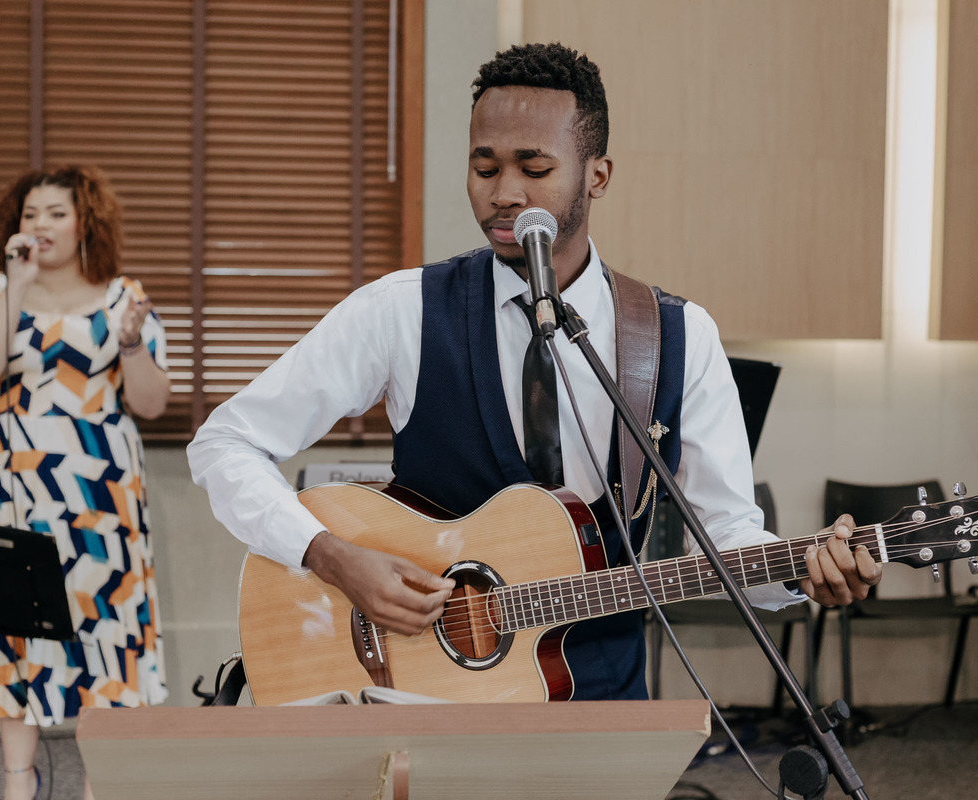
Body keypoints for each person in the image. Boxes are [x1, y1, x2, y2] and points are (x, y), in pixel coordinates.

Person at [188, 42, 880, 703]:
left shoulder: (677, 336)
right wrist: (330, 556)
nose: (505, 193)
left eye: (534, 168)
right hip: (423, 698)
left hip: (603, 705)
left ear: (597, 176)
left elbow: (727, 533)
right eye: (485, 168)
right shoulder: (401, 311)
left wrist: (802, 574)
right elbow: (224, 444)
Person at [0, 166, 171, 799]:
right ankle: (17, 779)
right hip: (10, 487)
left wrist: (132, 344)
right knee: (13, 621)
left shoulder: (124, 298)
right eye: (30, 214)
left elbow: (153, 404)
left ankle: (97, 782)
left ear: (86, 222)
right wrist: (18, 284)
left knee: (101, 622)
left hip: (100, 491)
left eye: (56, 213)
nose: (40, 225)